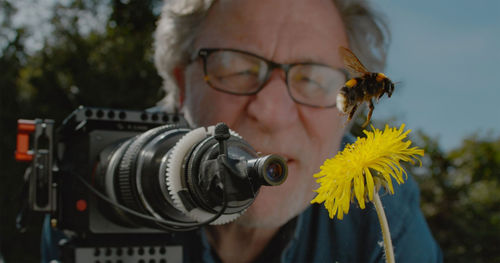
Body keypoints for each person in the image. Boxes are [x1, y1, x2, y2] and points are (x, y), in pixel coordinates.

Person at [153, 0, 442, 262]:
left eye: (314, 79)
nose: (272, 114)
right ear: (182, 86)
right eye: (237, 68)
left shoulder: (383, 210)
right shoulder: (112, 162)